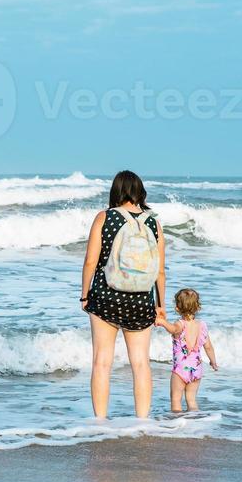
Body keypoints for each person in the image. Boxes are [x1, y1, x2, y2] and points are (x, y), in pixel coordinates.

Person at [81, 170, 167, 419]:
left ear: (115, 191)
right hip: (141, 300)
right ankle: (142, 421)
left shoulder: (104, 218)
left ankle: (100, 422)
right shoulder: (153, 222)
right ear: (139, 191)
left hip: (105, 297)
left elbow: (90, 262)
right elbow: (159, 271)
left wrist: (84, 295)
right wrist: (160, 305)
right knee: (140, 363)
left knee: (101, 362)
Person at [156, 288, 218, 412]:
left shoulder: (180, 324)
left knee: (176, 399)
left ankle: (177, 425)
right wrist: (213, 362)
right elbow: (208, 346)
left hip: (181, 370)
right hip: (197, 369)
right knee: (191, 400)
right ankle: (194, 421)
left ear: (177, 308)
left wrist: (162, 322)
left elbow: (173, 329)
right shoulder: (202, 326)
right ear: (198, 307)